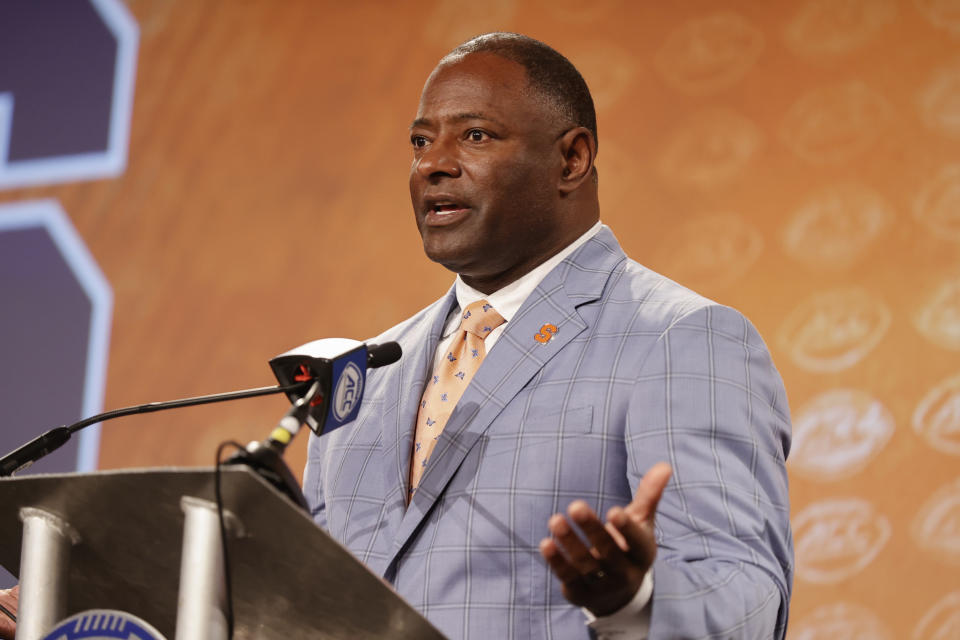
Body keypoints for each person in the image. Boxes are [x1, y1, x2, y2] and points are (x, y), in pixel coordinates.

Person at [302, 32, 793, 639]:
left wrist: (633, 599)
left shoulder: (680, 338)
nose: (433, 164)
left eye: (475, 135)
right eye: (421, 142)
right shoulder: (365, 374)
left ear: (572, 160)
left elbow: (747, 597)